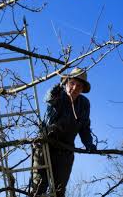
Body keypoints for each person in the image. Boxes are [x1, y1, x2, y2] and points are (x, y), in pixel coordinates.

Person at [30, 67, 97, 197]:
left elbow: (84, 127)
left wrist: (89, 143)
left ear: (82, 89)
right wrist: (58, 86)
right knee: (38, 187)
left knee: (59, 191)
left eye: (79, 86)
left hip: (65, 151)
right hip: (45, 145)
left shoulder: (84, 104)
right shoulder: (58, 95)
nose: (74, 88)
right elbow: (48, 98)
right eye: (72, 83)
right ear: (66, 83)